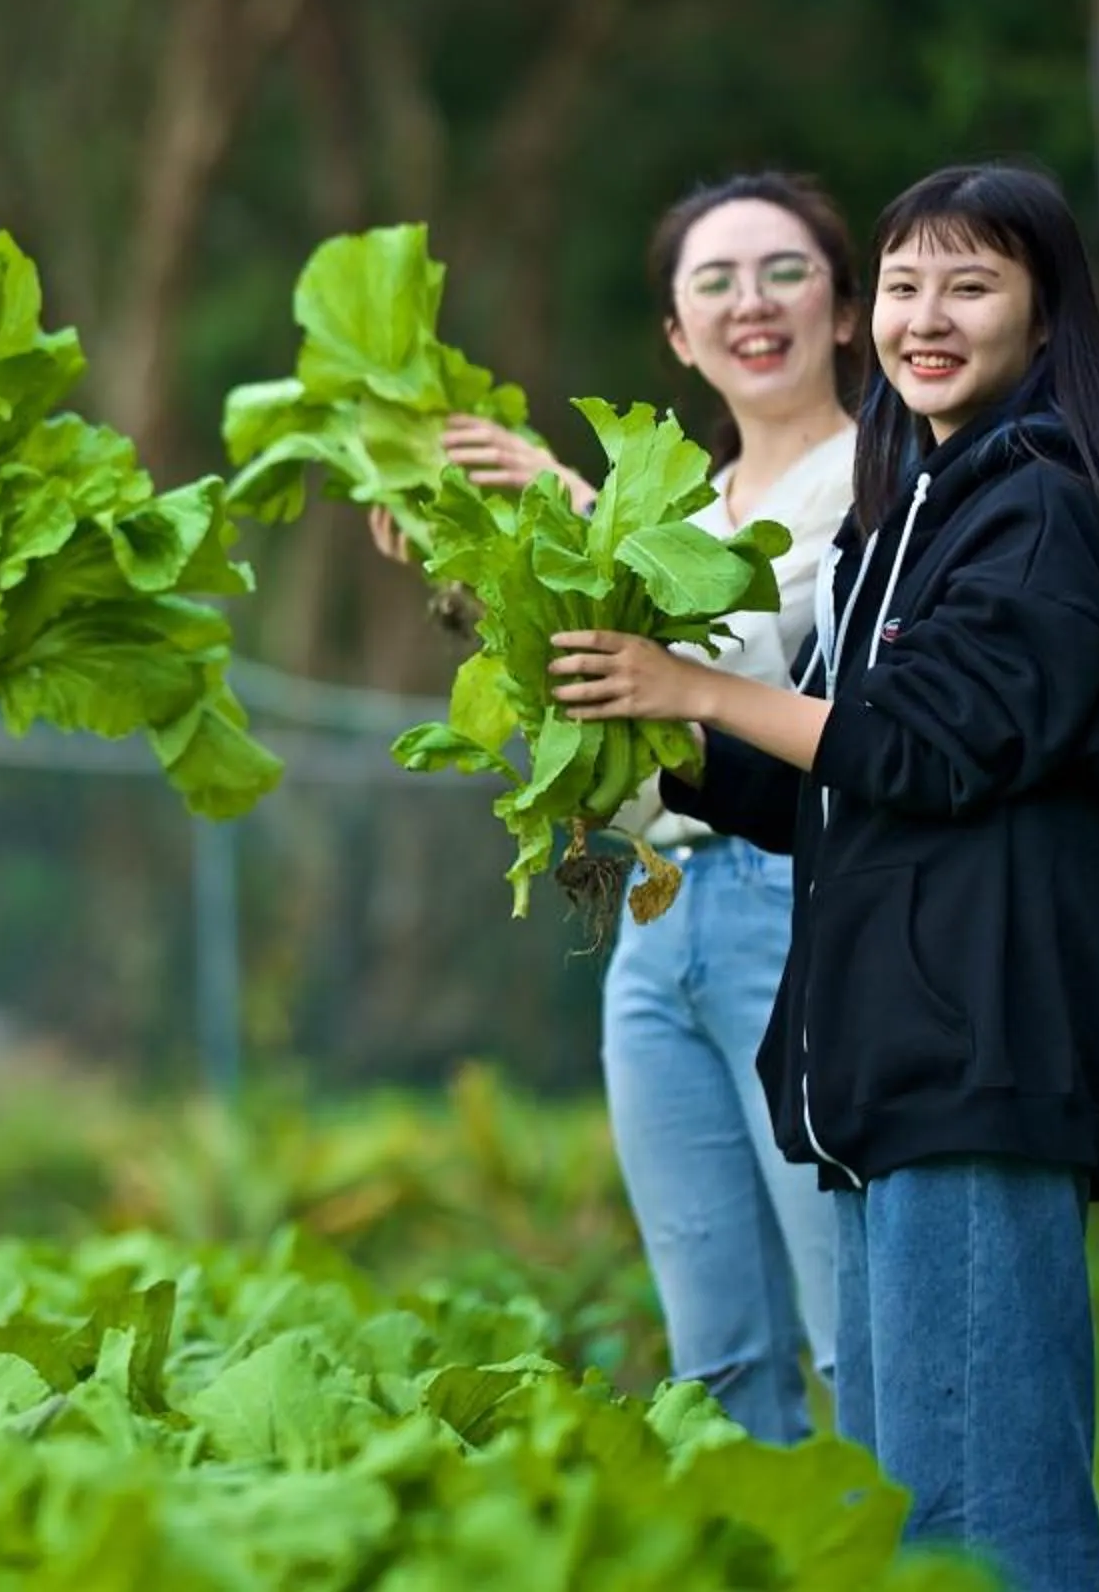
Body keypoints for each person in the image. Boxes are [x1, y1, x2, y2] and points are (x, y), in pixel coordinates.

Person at [548, 161, 1099, 1592]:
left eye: (971, 287)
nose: (926, 318)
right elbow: (829, 779)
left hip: (981, 1044)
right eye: (908, 285)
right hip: (891, 1056)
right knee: (915, 1492)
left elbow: (939, 741)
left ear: (1045, 316)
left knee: (984, 1504)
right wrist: (660, 738)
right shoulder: (903, 518)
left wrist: (700, 689)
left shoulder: (1036, 508)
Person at [385, 175, 866, 1444]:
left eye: (784, 271)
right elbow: (599, 690)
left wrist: (577, 504)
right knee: (717, 1351)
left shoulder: (878, 483)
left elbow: (755, 665)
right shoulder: (683, 504)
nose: (750, 302)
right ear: (677, 335)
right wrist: (474, 554)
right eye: (715, 282)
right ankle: (766, 1538)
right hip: (658, 918)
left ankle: (914, 1542)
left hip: (800, 906)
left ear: (845, 311)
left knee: (851, 1321)